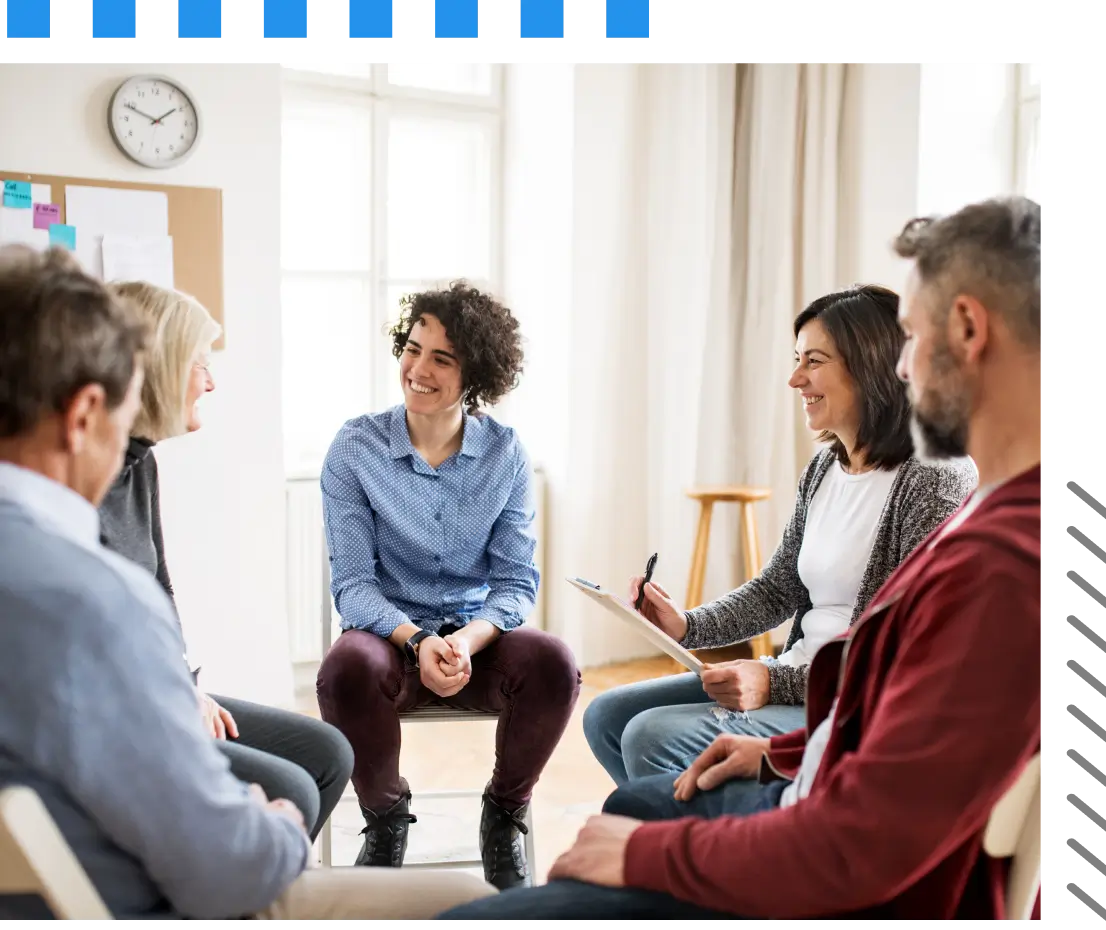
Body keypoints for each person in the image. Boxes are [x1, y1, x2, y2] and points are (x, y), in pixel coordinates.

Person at [439, 195, 1045, 920]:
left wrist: (643, 856)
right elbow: (902, 736)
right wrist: (776, 753)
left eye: (911, 336)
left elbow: (860, 847)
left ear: (970, 329)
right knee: (631, 785)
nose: (907, 366)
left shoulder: (999, 561)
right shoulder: (1000, 520)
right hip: (813, 789)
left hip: (831, 881)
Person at [0, 245, 497, 920]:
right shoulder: (91, 601)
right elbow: (230, 867)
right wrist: (280, 821)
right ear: (85, 414)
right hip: (149, 897)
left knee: (319, 753)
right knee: (469, 901)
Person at [583, 284, 977, 785]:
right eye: (797, 360)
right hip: (798, 674)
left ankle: (730, 846)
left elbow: (902, 652)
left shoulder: (935, 477)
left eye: (813, 361)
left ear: (872, 365)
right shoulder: (825, 467)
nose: (795, 379)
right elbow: (779, 589)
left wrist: (774, 680)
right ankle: (724, 832)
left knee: (650, 738)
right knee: (607, 718)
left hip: (856, 702)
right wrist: (685, 626)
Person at [316, 281, 581, 889]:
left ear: (477, 374)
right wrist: (416, 642)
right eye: (413, 348)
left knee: (554, 662)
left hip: (475, 650)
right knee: (345, 667)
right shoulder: (356, 448)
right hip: (390, 643)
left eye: (443, 358)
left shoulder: (506, 453)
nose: (419, 369)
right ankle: (385, 821)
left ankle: (503, 816)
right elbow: (354, 586)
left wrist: (467, 640)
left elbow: (516, 582)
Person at [96, 280, 353, 843]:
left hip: (162, 688)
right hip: (125, 711)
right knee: (295, 790)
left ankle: (267, 890)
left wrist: (186, 684)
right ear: (160, 366)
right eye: (199, 363)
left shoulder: (142, 465)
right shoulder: (81, 478)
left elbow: (158, 590)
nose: (211, 381)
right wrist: (174, 695)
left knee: (329, 752)